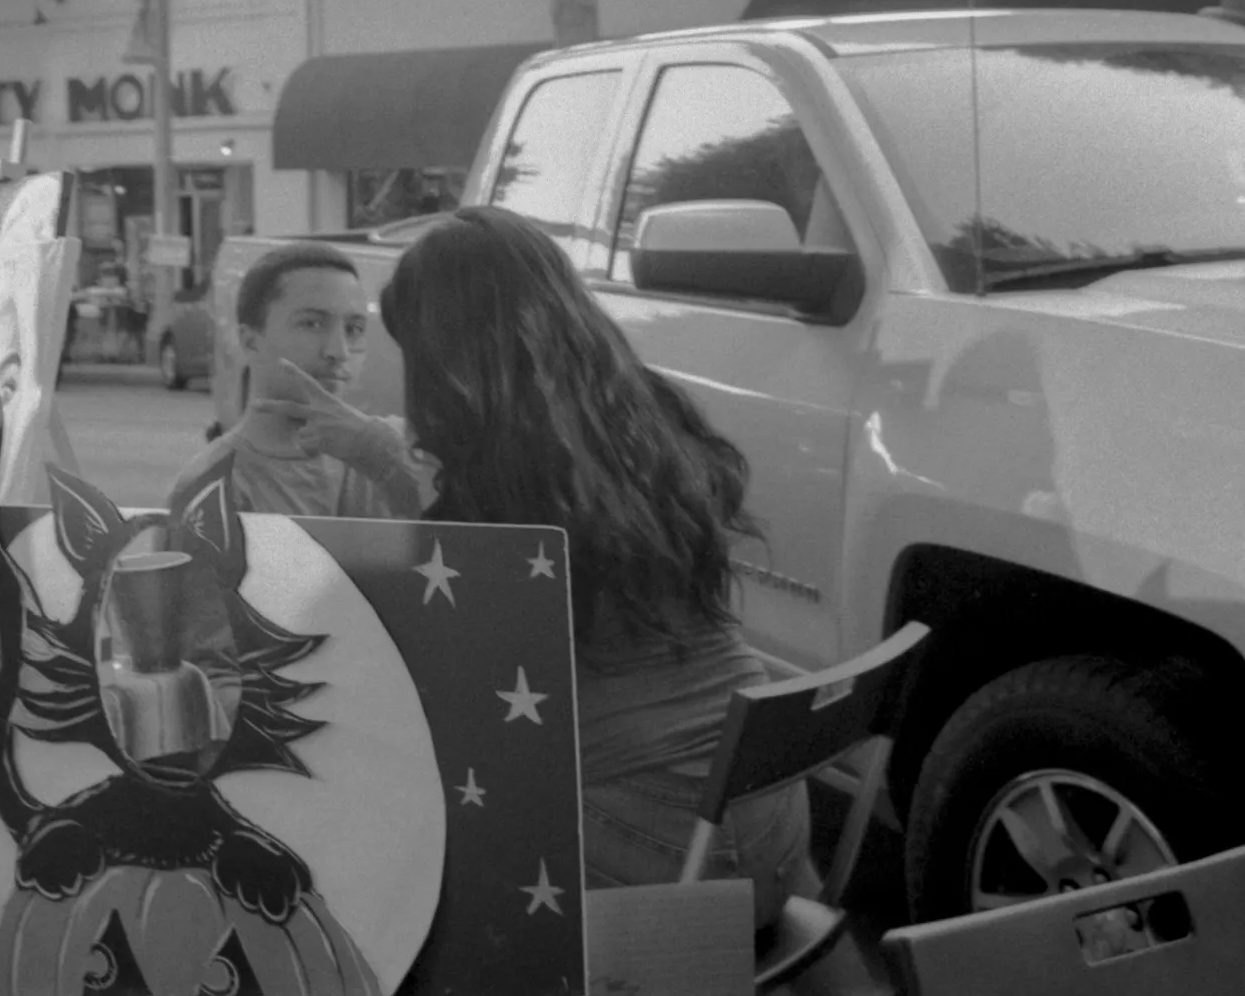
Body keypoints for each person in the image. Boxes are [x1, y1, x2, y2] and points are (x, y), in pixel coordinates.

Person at [378, 205, 820, 930]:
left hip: (663, 860)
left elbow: (443, 694)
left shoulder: (494, 497)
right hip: (768, 822)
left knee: (389, 836)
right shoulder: (657, 419)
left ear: (454, 354)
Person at [168, 242, 427, 518]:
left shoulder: (390, 455)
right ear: (251, 341)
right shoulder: (210, 489)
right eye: (312, 324)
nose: (338, 351)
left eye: (354, 329)